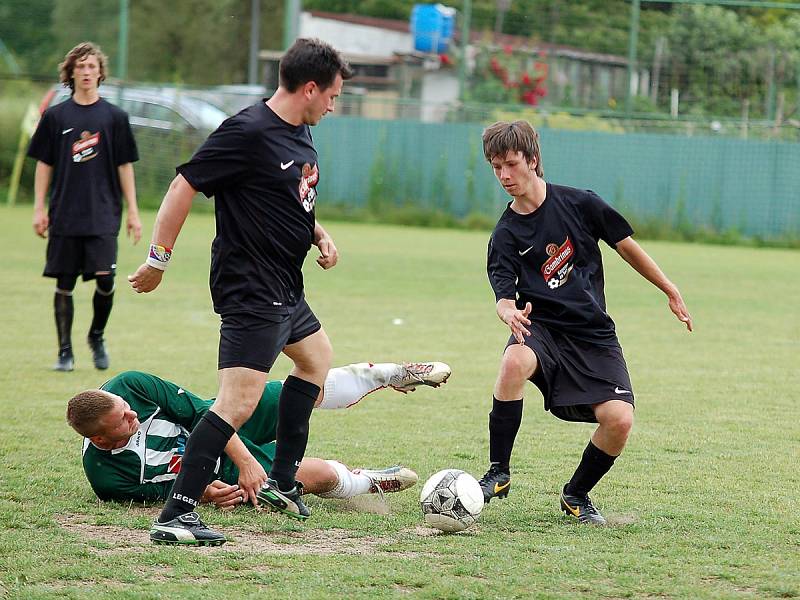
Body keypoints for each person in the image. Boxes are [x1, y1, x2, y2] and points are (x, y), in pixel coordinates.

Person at [127, 38, 353, 543]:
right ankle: (176, 513)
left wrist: (318, 233)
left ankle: (283, 480)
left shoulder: (301, 135)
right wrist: (158, 259)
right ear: (310, 88)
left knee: (315, 360)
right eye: (333, 96)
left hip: (286, 285)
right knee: (236, 404)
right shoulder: (247, 131)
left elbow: (293, 199)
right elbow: (183, 186)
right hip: (251, 287)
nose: (334, 106)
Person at [478, 121, 692, 525]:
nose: (504, 176)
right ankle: (498, 472)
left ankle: (576, 494)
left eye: (510, 164)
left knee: (620, 420)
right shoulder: (505, 234)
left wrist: (668, 288)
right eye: (495, 167)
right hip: (540, 329)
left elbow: (627, 248)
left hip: (592, 335)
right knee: (512, 362)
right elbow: (504, 294)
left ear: (533, 161)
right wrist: (507, 311)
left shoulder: (580, 204)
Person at [67, 361, 450, 545]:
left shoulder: (130, 386)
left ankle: (391, 373)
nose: (131, 412)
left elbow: (206, 413)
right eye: (124, 419)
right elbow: (160, 494)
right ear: (101, 440)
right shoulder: (106, 477)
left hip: (229, 420)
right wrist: (204, 491)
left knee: (297, 393)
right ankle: (366, 481)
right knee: (312, 477)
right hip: (218, 470)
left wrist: (246, 460)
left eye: (126, 407)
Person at [28, 41, 141, 372]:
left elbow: (124, 166)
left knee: (106, 279)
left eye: (92, 66)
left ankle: (97, 336)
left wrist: (133, 211)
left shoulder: (115, 118)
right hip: (64, 213)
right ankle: (64, 352)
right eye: (80, 66)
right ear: (71, 72)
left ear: (100, 72)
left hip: (104, 214)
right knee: (65, 283)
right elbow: (44, 165)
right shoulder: (55, 116)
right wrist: (39, 208)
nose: (87, 71)